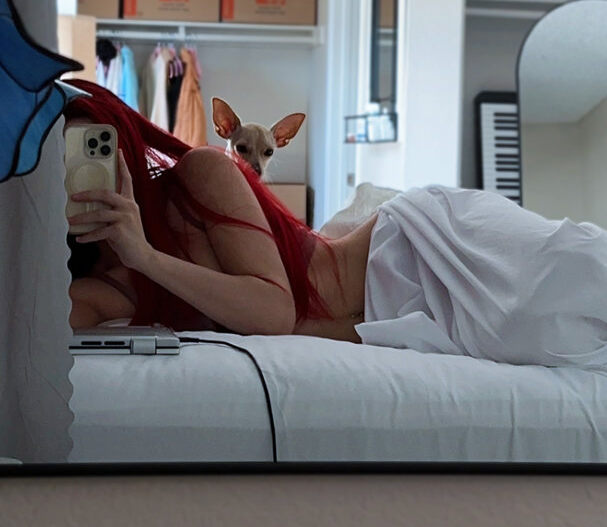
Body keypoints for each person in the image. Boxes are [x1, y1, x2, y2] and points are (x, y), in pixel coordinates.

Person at [65, 82, 607, 370]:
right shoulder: (109, 282)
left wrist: (146, 256)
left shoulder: (200, 174)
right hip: (399, 323)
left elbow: (275, 312)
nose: (80, 173)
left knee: (574, 272)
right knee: (568, 339)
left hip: (416, 249)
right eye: (59, 163)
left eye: (94, 148)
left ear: (125, 144)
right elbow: (41, 323)